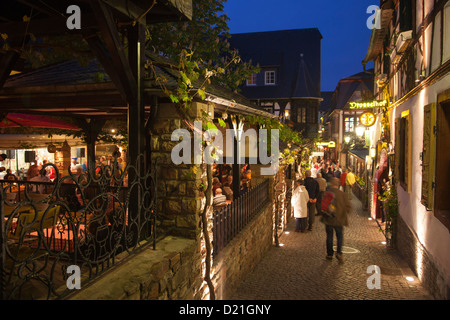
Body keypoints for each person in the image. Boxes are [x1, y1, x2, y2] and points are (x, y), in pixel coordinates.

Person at [321, 178, 352, 261]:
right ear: (338, 185)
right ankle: (339, 253)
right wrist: (343, 213)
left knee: (329, 236)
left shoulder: (327, 194)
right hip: (339, 219)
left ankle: (329, 254)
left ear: (331, 184)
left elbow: (322, 205)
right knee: (339, 237)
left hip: (328, 219)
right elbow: (349, 207)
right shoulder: (343, 194)